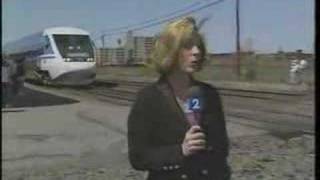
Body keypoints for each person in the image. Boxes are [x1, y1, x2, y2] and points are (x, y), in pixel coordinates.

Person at [127, 17, 230, 180]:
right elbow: (138, 157)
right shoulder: (148, 98)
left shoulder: (209, 94)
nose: (196, 51)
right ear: (171, 50)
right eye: (188, 46)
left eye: (199, 46)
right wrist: (180, 151)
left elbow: (222, 149)